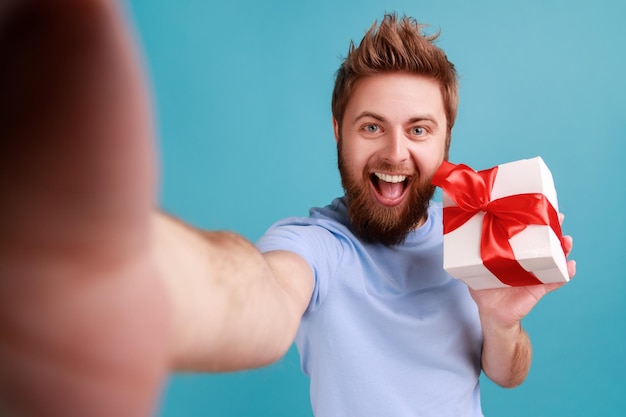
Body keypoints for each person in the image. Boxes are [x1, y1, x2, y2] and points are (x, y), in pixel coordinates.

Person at [0, 2, 575, 417]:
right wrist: (117, 267)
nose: (395, 153)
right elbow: (262, 295)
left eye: (418, 130)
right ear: (338, 132)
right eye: (371, 126)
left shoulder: (476, 240)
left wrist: (502, 323)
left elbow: (506, 374)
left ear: (445, 141)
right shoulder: (315, 246)